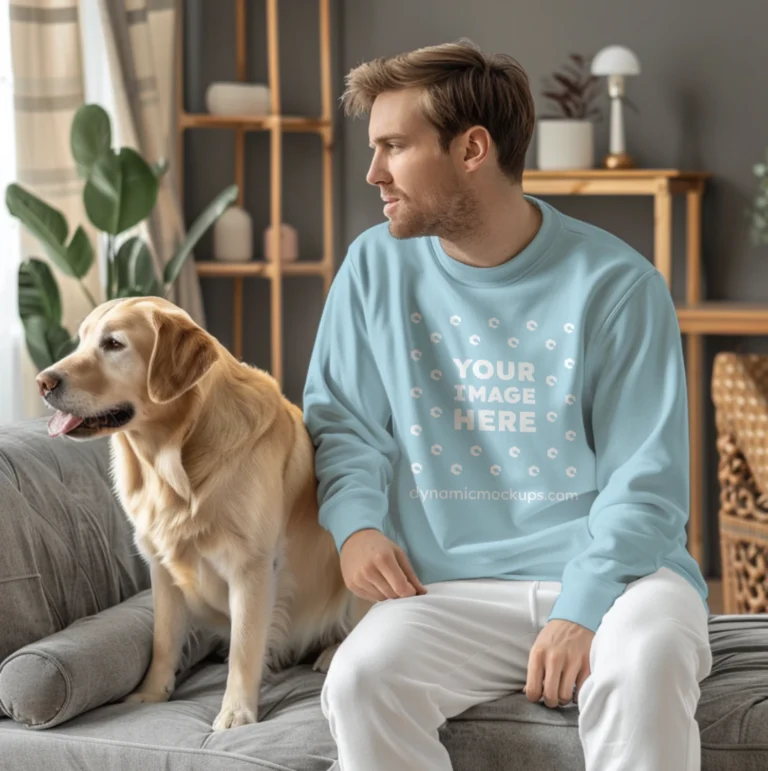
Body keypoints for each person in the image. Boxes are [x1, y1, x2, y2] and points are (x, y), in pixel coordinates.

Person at [302, 39, 712, 771]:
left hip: (622, 579)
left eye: (394, 146)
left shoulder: (617, 284)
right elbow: (343, 421)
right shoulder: (372, 266)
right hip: (449, 585)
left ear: (472, 149)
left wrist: (578, 609)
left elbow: (644, 483)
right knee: (361, 679)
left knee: (644, 665)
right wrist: (356, 525)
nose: (373, 173)